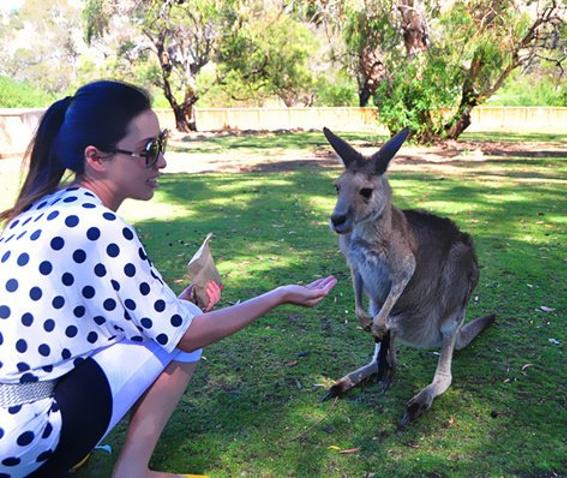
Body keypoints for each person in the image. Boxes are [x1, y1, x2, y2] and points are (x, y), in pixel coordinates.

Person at [0, 80, 337, 478]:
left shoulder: (42, 208)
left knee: (175, 319)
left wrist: (180, 307)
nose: (162, 162)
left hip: (11, 419)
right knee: (184, 340)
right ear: (96, 158)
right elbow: (185, 335)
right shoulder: (100, 227)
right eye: (149, 151)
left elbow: (97, 316)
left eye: (161, 144)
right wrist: (277, 296)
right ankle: (131, 470)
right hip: (24, 442)